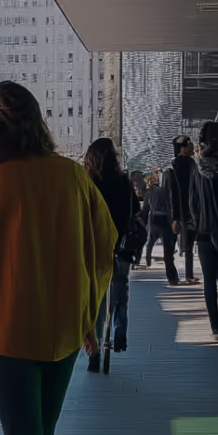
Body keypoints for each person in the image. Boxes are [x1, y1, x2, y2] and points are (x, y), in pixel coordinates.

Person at [0, 81, 115, 435]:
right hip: (61, 329)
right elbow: (102, 246)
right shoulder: (73, 176)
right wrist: (88, 315)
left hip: (4, 331)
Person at [84, 138, 140, 363]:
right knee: (120, 292)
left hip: (95, 249)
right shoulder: (124, 181)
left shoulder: (89, 184)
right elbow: (134, 210)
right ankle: (118, 327)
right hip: (121, 247)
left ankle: (94, 349)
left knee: (95, 299)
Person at [185, 122, 218, 342]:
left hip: (204, 233)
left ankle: (215, 327)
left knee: (209, 281)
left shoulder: (197, 169)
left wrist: (199, 224)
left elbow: (192, 202)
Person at [164, 136, 198, 286]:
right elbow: (172, 194)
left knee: (189, 244)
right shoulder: (173, 168)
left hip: (191, 212)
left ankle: (189, 275)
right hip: (178, 213)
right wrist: (174, 217)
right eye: (186, 146)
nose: (190, 148)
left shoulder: (193, 165)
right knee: (171, 247)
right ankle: (173, 276)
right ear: (179, 150)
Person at [142, 173, 176, 272]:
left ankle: (148, 260)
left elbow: (145, 208)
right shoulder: (166, 192)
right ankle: (169, 263)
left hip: (153, 220)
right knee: (167, 245)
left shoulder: (149, 193)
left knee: (150, 242)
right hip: (165, 221)